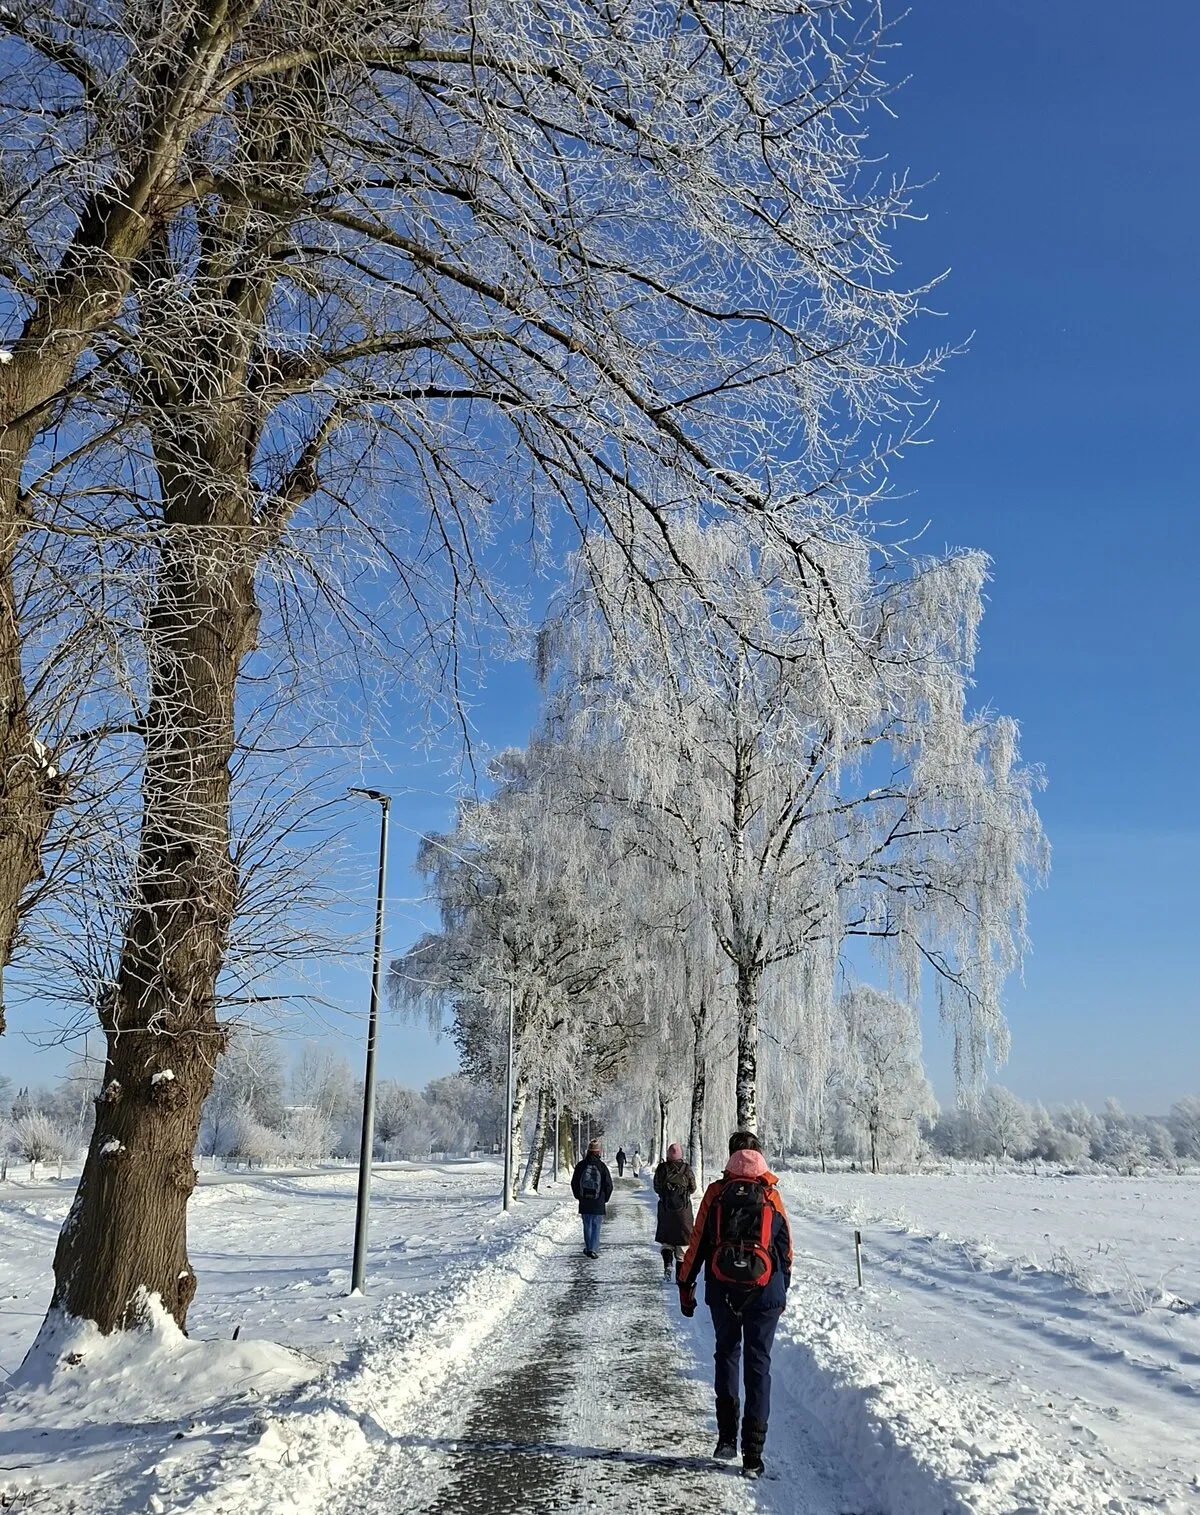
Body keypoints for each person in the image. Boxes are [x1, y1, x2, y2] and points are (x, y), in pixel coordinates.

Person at [677, 1131, 792, 1479]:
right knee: (759, 1366)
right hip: (764, 1292)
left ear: (730, 1156)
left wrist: (686, 1286)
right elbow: (785, 1251)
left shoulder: (715, 1193)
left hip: (722, 1288)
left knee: (726, 1355)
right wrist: (780, 1290)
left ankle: (727, 1438)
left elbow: (696, 1244)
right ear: (760, 1155)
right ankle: (753, 1457)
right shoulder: (771, 1194)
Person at [653, 1142, 696, 1280]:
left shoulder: (661, 1168)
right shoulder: (686, 1169)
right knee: (683, 1243)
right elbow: (693, 1187)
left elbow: (656, 1187)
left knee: (667, 1240)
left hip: (666, 1210)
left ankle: (667, 1264)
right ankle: (680, 1275)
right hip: (683, 1211)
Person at [570, 1137, 613, 1257]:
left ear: (588, 1151)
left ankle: (588, 1247)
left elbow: (574, 1182)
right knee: (596, 1225)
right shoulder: (602, 1166)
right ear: (598, 1152)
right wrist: (605, 1198)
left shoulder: (581, 1165)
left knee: (587, 1224)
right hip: (598, 1200)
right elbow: (609, 1185)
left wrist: (579, 1196)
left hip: (585, 1200)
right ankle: (593, 1249)